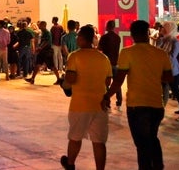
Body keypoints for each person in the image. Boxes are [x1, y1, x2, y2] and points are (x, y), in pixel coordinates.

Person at [104, 20, 173, 170]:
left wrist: (106, 96)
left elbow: (119, 80)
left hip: (137, 105)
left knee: (142, 144)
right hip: (156, 104)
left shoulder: (127, 52)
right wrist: (153, 75)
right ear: (148, 33)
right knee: (152, 138)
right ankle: (158, 165)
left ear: (132, 35)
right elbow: (168, 78)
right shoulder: (160, 53)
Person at [60, 25, 113, 170]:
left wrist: (63, 81)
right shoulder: (103, 58)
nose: (77, 38)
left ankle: (70, 164)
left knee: (75, 138)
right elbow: (108, 81)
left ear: (83, 38)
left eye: (78, 36)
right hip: (100, 105)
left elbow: (71, 78)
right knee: (99, 142)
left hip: (80, 104)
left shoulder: (75, 56)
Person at [26, 20, 62, 85]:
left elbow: (46, 42)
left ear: (44, 25)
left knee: (52, 66)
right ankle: (32, 79)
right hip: (42, 51)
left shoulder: (47, 33)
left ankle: (58, 79)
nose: (39, 26)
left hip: (47, 52)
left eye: (40, 25)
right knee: (37, 65)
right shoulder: (42, 32)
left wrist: (40, 48)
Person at [97, 20, 122, 111]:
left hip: (106, 64)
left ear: (107, 26)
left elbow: (99, 48)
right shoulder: (118, 38)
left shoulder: (104, 37)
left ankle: (108, 104)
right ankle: (119, 103)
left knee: (106, 84)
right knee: (117, 84)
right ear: (114, 27)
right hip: (115, 63)